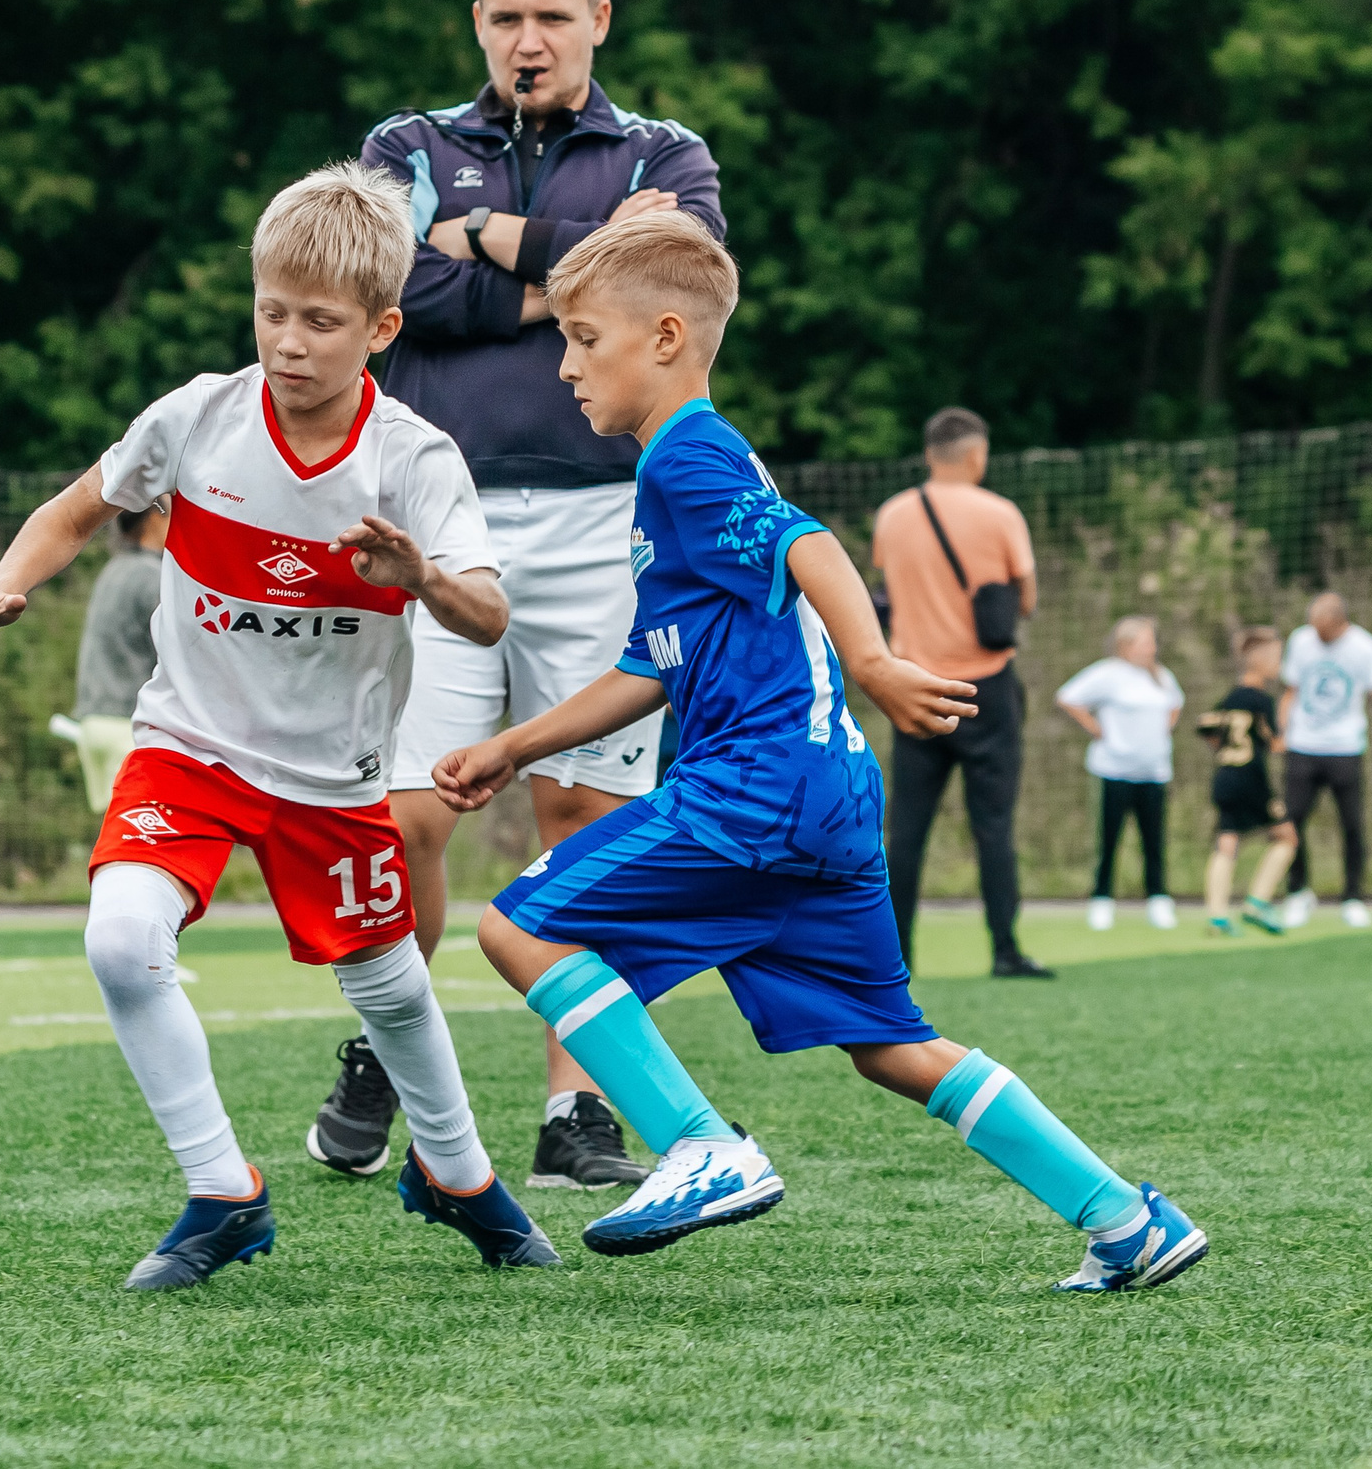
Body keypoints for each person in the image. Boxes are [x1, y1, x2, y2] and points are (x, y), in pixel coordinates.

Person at [435, 210, 1207, 1291]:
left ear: (664, 336)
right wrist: (514, 745)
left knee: (515, 926)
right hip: (824, 794)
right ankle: (1125, 1218)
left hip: (752, 786)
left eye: (581, 338)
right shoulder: (677, 470)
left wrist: (874, 657)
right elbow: (652, 666)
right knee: (891, 1043)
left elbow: (807, 539)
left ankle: (702, 1144)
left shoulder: (689, 455)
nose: (563, 366)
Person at [0, 162, 558, 1290]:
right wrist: (3, 583)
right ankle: (223, 1190)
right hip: (189, 747)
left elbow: (488, 608)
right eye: (272, 310)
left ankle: (456, 1175)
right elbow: (77, 508)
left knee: (392, 986)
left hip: (333, 776)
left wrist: (419, 578)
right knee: (119, 938)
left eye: (320, 321)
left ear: (380, 327)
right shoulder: (197, 418)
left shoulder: (411, 459)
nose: (290, 340)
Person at [340, 0, 726, 1192]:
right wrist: (572, 279)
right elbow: (385, 291)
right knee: (407, 814)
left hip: (603, 516)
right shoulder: (406, 143)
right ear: (476, 18)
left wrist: (494, 248)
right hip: (436, 519)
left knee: (583, 820)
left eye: (553, 16)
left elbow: (681, 279)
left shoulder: (663, 148)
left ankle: (576, 1113)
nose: (528, 39)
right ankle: (395, 1048)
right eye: (505, 14)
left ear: (598, 20)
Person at [871, 408, 1046, 977]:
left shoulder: (893, 516)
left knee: (907, 831)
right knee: (993, 824)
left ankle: (897, 955)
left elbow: (888, 592)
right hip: (986, 688)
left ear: (929, 454)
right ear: (976, 455)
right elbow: (1025, 600)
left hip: (916, 687)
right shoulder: (999, 514)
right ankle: (1004, 950)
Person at [1056, 617, 1186, 931]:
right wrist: (1097, 729)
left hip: (1154, 773)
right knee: (1109, 840)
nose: (1150, 648)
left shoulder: (1161, 677)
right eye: (1144, 642)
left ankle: (1158, 900)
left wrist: (1162, 730)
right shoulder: (1108, 674)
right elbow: (1068, 697)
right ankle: (1101, 901)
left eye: (1152, 642)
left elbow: (1175, 704)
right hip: (1115, 771)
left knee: (1154, 841)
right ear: (1126, 645)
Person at [1280, 592, 1372, 930]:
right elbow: (1290, 692)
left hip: (1346, 748)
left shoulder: (1366, 648)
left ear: (1340, 623)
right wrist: (1280, 731)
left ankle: (1353, 897)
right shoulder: (1300, 641)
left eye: (1324, 630)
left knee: (1352, 825)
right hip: (1303, 747)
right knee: (1291, 822)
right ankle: (1298, 892)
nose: (1317, 636)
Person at [65, 504, 168, 812]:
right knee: (142, 843)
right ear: (154, 517)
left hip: (93, 724)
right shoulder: (155, 577)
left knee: (117, 840)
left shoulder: (114, 569)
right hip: (128, 726)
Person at [1195, 626, 1296, 937]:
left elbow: (1206, 726)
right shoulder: (1261, 700)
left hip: (1224, 776)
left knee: (1227, 841)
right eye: (1277, 658)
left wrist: (1224, 748)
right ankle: (1256, 903)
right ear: (1260, 661)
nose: (1280, 665)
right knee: (1286, 837)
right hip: (1251, 778)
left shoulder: (1229, 698)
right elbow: (1277, 744)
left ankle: (1217, 917)